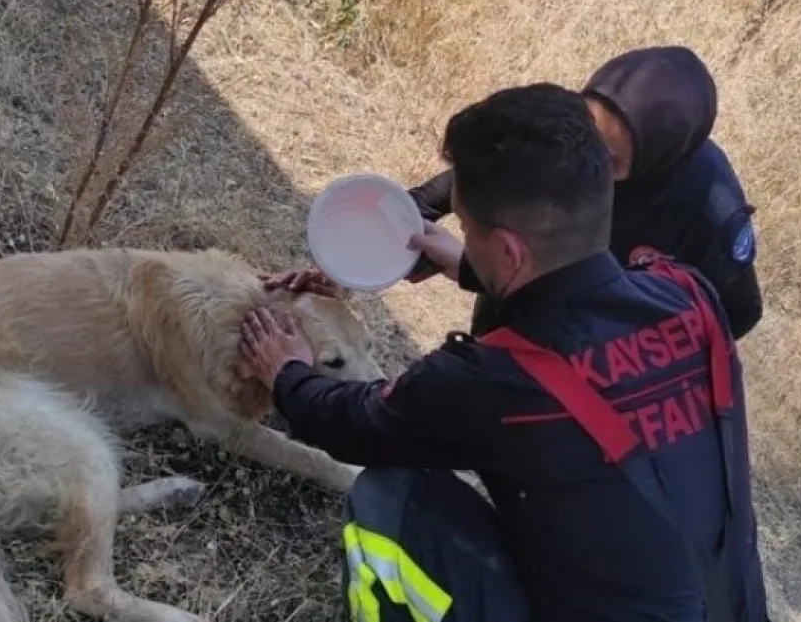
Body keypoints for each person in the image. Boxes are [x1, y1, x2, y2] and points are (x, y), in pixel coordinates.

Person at [240, 82, 771, 621]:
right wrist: (470, 266)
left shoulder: (493, 381)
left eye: (467, 228)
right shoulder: (690, 295)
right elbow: (573, 295)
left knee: (390, 496)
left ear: (511, 252)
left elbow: (352, 424)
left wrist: (287, 372)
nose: (462, 236)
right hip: (731, 608)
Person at [401, 45, 763, 341]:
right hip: (512, 311)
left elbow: (739, 312)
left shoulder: (708, 207)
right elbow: (497, 170)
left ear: (658, 160)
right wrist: (405, 215)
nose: (580, 160)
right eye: (584, 134)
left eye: (609, 160)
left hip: (592, 358)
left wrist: (629, 345)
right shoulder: (578, 132)